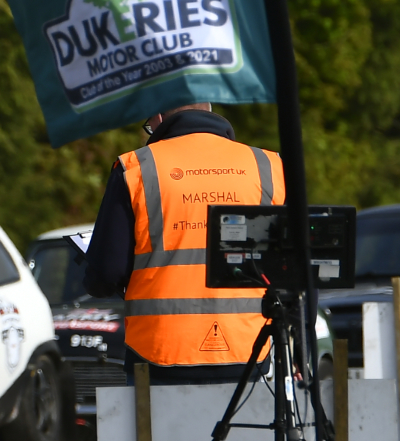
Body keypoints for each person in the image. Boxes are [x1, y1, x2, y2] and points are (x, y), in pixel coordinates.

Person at [83, 101, 283, 383]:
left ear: (161, 115)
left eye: (150, 124)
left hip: (159, 354)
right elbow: (294, 267)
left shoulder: (137, 167)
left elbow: (106, 273)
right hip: (249, 351)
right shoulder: (268, 166)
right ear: (209, 109)